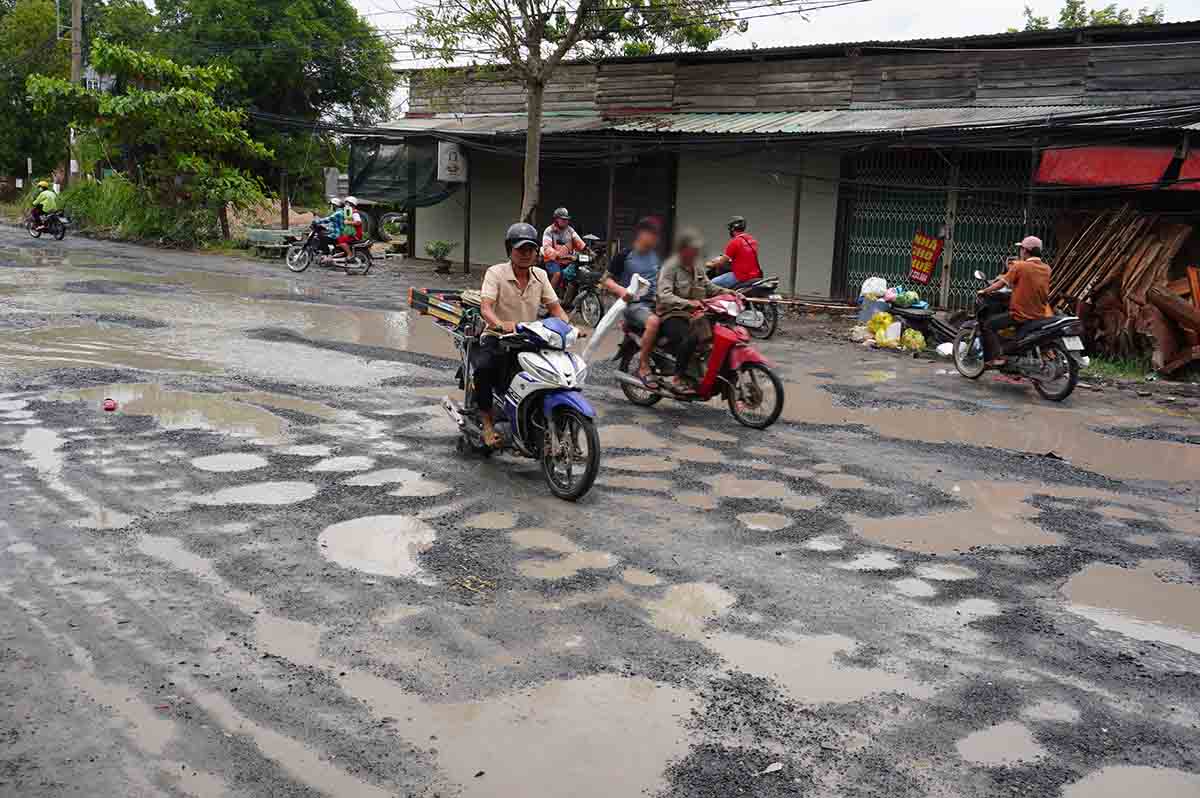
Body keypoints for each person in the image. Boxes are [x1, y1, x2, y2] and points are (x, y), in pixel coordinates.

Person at [475, 222, 573, 447]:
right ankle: (488, 424)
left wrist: (568, 327)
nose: (526, 254)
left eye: (530, 249)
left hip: (529, 337)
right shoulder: (496, 273)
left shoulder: (540, 275)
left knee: (549, 373)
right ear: (509, 249)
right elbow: (486, 307)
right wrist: (499, 324)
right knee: (484, 369)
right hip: (497, 336)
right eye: (520, 249)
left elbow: (556, 308)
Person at [657, 227, 723, 392]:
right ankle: (677, 377)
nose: (696, 252)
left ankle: (699, 373)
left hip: (692, 314)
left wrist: (731, 293)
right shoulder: (670, 267)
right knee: (691, 337)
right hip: (671, 314)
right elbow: (664, 295)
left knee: (714, 334)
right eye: (693, 249)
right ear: (683, 249)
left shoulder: (697, 266)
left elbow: (709, 286)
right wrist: (688, 303)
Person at [977, 235, 1054, 367]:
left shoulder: (1020, 266)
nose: (1020, 252)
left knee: (988, 325)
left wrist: (985, 291)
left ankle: (995, 358)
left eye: (1021, 249)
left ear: (1025, 250)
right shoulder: (1047, 269)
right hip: (1039, 314)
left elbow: (1001, 284)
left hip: (1021, 315)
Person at [604, 218, 662, 384]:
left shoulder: (655, 257)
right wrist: (622, 291)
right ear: (641, 233)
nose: (654, 237)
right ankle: (643, 366)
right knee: (653, 322)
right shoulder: (625, 254)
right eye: (651, 233)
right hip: (634, 305)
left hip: (654, 303)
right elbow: (606, 280)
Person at [706, 215, 762, 289]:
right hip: (755, 274)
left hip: (740, 276)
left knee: (710, 284)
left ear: (732, 228)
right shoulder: (752, 240)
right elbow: (745, 255)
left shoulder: (734, 242)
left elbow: (721, 262)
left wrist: (709, 264)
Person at [541, 207, 585, 292]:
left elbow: (578, 241)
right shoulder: (549, 231)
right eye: (563, 219)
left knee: (579, 271)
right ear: (556, 219)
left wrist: (587, 250)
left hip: (567, 260)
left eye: (567, 219)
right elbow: (547, 247)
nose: (565, 221)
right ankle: (549, 297)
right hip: (552, 260)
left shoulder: (570, 230)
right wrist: (558, 255)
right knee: (557, 274)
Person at [337, 196, 364, 263]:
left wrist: (348, 222)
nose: (345, 205)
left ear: (351, 204)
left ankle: (350, 254)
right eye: (346, 203)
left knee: (341, 239)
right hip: (352, 233)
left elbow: (358, 222)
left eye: (347, 203)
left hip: (356, 234)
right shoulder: (349, 212)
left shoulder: (355, 213)